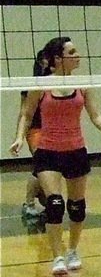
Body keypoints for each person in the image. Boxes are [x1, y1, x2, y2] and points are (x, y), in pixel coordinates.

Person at [9, 36, 101, 277]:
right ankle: (57, 257)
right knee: (54, 204)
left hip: (75, 150)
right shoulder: (40, 85)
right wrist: (20, 137)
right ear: (58, 59)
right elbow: (27, 113)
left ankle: (73, 250)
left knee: (77, 207)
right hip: (48, 151)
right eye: (72, 52)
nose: (77, 55)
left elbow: (95, 115)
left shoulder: (83, 84)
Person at [16, 50, 51, 220]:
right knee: (41, 165)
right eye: (44, 59)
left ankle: (47, 201)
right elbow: (24, 113)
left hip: (54, 131)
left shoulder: (58, 82)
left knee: (51, 169)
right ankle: (28, 204)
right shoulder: (31, 84)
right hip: (36, 130)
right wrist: (19, 137)